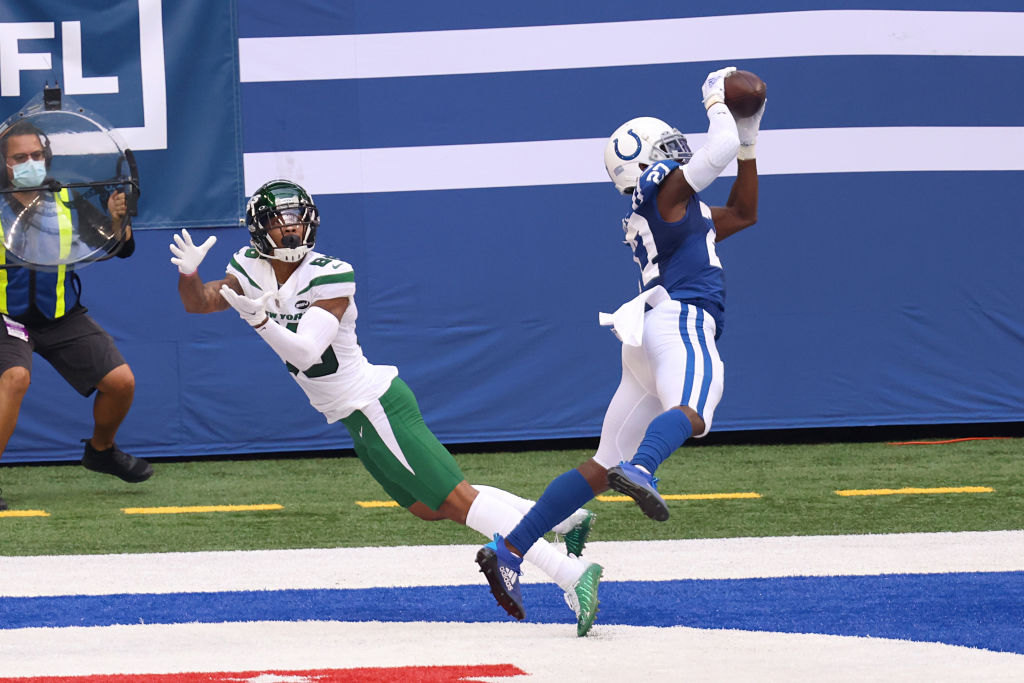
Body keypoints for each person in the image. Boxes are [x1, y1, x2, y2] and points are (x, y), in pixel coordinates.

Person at [169, 179, 603, 636]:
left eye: (298, 220)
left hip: (375, 404)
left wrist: (257, 318)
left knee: (458, 500)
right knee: (428, 507)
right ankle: (567, 517)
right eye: (281, 223)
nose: (292, 231)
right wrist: (189, 276)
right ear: (260, 229)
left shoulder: (330, 273)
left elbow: (306, 352)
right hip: (350, 413)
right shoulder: (248, 266)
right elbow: (200, 303)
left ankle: (571, 574)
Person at [475, 66, 763, 618]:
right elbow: (718, 144)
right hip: (682, 319)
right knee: (698, 407)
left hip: (646, 334)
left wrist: (750, 141)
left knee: (603, 461)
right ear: (646, 161)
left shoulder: (674, 211)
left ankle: (510, 546)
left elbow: (746, 213)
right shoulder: (666, 195)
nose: (679, 155)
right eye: (667, 149)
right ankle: (647, 469)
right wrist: (716, 101)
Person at [0, 120, 149, 511]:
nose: (29, 163)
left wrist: (120, 222)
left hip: (62, 315)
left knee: (121, 382)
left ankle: (101, 451)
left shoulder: (66, 199)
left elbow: (118, 247)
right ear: (4, 163)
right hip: (5, 318)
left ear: (46, 158)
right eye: (19, 157)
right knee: (15, 377)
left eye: (36, 155)